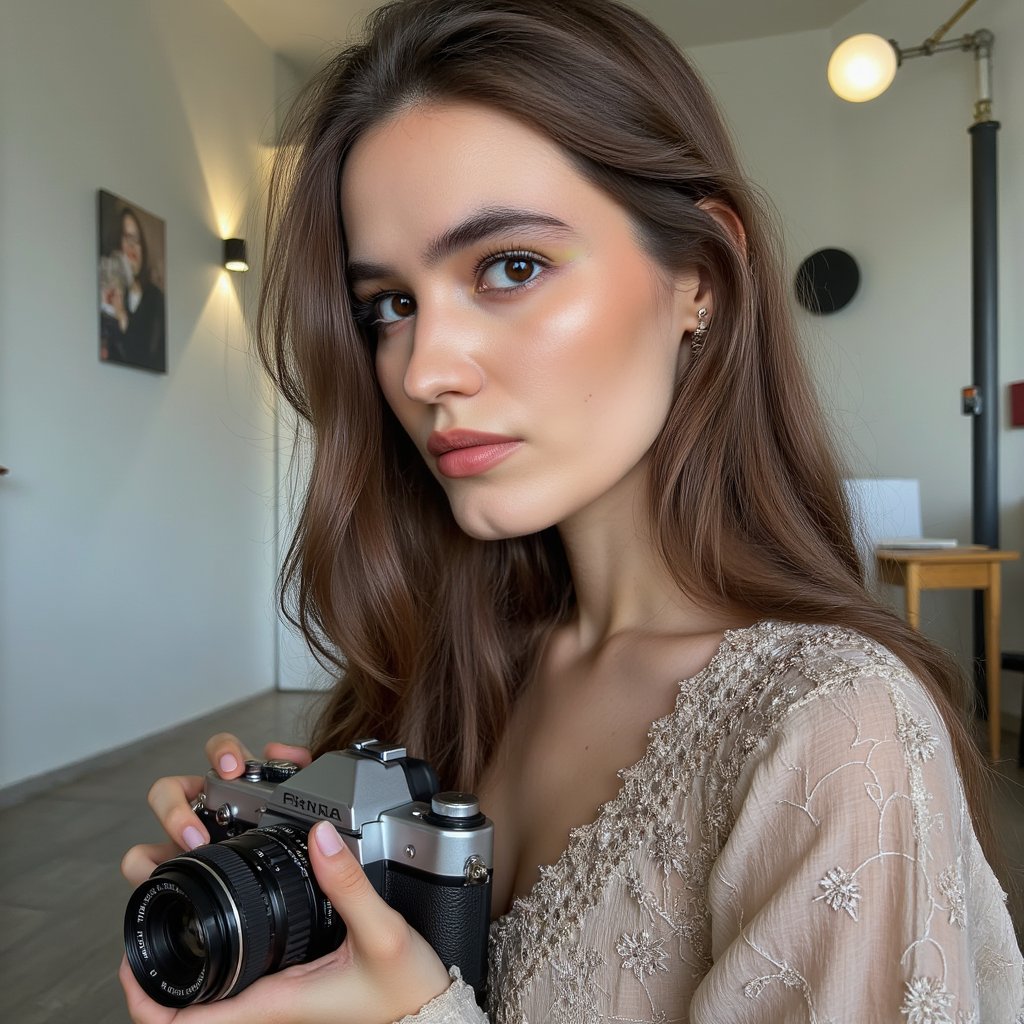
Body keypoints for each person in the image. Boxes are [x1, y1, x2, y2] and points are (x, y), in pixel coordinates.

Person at [119, 1, 1024, 1021]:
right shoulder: (458, 666)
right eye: (389, 305)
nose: (423, 369)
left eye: (510, 267)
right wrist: (283, 905)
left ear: (697, 275)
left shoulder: (828, 730)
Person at [99, 206, 166, 372]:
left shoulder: (155, 298)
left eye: (137, 240)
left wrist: (123, 318)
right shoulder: (108, 293)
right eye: (127, 238)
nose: (133, 246)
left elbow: (149, 358)